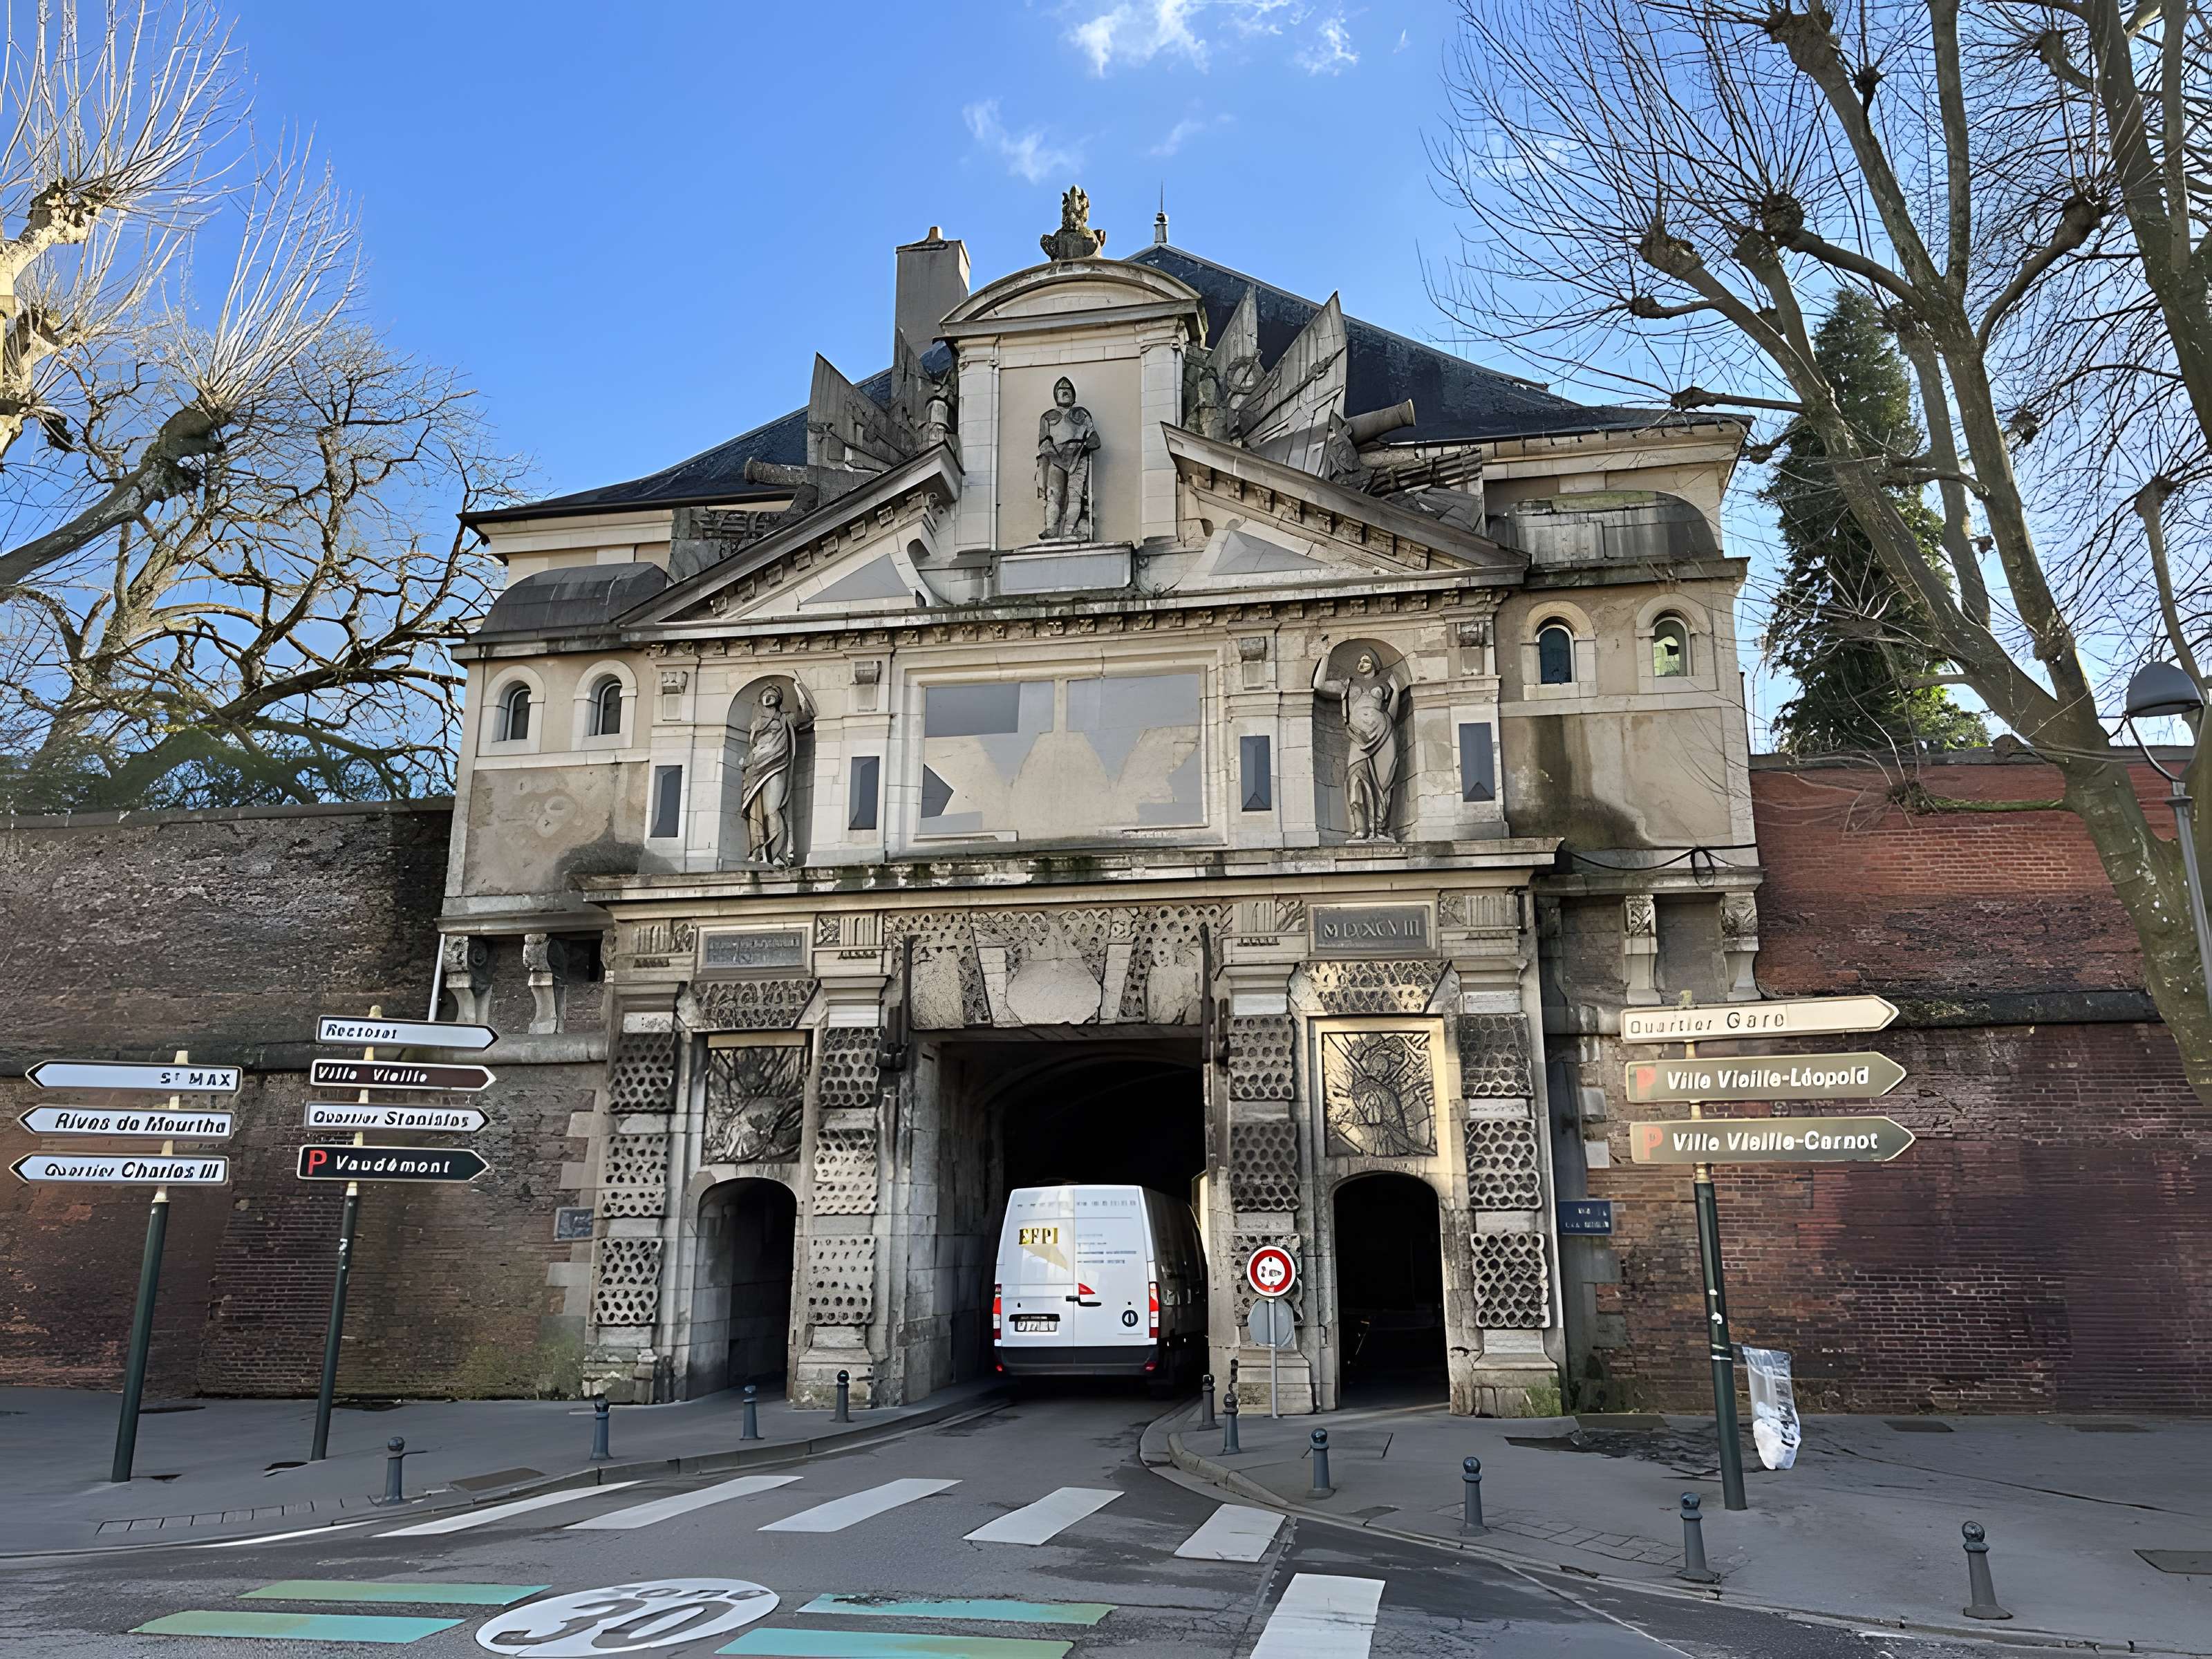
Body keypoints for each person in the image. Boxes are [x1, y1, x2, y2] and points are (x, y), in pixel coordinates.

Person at [1312, 650, 1402, 841]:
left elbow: (1392, 713)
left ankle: (1381, 829)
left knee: (1384, 782)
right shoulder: (1348, 684)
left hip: (1383, 734)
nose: (1362, 662)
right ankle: (1360, 829)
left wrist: (1396, 694)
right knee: (1355, 779)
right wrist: (1326, 656)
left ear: (1375, 664)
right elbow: (1319, 685)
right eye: (1360, 660)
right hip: (1358, 737)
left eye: (1367, 659)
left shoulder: (1385, 685)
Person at [741, 679, 816, 864]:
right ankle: (758, 851)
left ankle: (777, 854)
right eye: (766, 692)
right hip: (756, 770)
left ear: (779, 699)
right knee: (755, 812)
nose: (769, 695)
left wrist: (799, 689)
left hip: (777, 766)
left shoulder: (785, 718)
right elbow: (753, 748)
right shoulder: (756, 724)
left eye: (774, 692)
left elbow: (806, 714)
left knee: (773, 810)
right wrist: (747, 763)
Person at [1035, 376, 1100, 541]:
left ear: (1073, 394)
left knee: (1075, 493)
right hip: (1055, 457)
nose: (1065, 392)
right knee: (1054, 493)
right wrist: (1059, 460)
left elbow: (1094, 439)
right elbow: (1044, 443)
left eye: (1068, 390)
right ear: (1055, 394)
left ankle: (1071, 529)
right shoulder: (1048, 417)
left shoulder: (1082, 414)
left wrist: (1080, 451)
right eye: (1061, 390)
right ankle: (1051, 528)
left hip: (1078, 454)